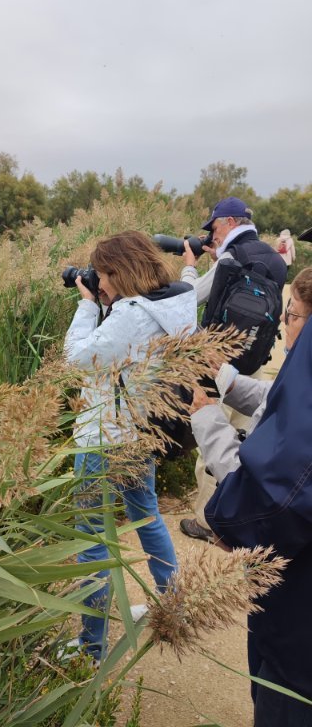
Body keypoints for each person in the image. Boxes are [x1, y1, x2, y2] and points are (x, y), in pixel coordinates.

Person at [63, 230, 197, 662]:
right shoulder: (174, 302)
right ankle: (173, 606)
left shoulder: (131, 315)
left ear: (119, 271)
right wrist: (107, 303)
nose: (98, 283)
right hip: (141, 432)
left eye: (102, 276)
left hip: (103, 440)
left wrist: (87, 306)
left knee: (92, 542)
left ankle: (91, 649)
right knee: (147, 518)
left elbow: (77, 358)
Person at [189, 267, 312, 726]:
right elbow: (275, 401)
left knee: (280, 691)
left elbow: (278, 481)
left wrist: (233, 526)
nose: (283, 325)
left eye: (293, 316)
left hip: (299, 621)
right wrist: (223, 377)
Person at [180, 196, 287, 542]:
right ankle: (243, 514)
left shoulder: (230, 257)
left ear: (227, 223)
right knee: (248, 439)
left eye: (212, 227)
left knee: (212, 439)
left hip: (218, 366)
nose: (210, 234)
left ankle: (208, 521)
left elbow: (189, 297)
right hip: (254, 367)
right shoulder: (273, 256)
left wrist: (191, 264)